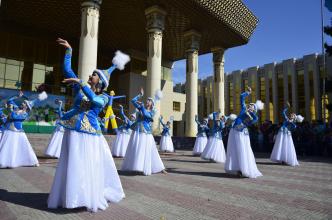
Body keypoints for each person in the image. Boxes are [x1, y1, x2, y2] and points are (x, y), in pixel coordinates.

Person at [47, 38, 129, 212]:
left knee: (85, 166)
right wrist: (69, 51)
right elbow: (67, 70)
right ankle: (70, 196)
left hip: (90, 136)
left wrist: (81, 83)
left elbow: (95, 101)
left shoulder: (104, 97)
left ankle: (85, 196)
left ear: (99, 82)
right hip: (73, 131)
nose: (91, 75)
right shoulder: (79, 88)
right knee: (72, 165)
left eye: (94, 74)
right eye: (92, 73)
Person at [121, 88, 166, 176]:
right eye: (147, 100)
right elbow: (133, 100)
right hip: (138, 131)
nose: (147, 101)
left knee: (146, 149)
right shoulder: (141, 107)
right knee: (137, 148)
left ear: (152, 104)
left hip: (145, 132)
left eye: (149, 101)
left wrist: (141, 107)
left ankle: (158, 167)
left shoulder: (153, 111)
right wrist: (140, 95)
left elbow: (147, 115)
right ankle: (137, 166)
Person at [0, 91, 47, 168]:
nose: (22, 103)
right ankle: (5, 161)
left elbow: (14, 117)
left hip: (18, 132)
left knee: (23, 147)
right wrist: (18, 96)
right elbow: (9, 101)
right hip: (9, 131)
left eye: (24, 103)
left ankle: (30, 161)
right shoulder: (17, 108)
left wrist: (11, 111)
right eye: (23, 102)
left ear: (27, 107)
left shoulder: (25, 114)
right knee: (7, 147)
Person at [225, 87, 263, 178]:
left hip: (242, 133)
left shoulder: (253, 116)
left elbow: (255, 120)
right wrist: (248, 92)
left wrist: (251, 113)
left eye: (252, 106)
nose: (250, 106)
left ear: (254, 109)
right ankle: (237, 168)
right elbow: (241, 97)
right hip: (234, 131)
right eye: (249, 105)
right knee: (234, 149)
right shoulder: (243, 109)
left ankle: (244, 169)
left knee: (242, 149)